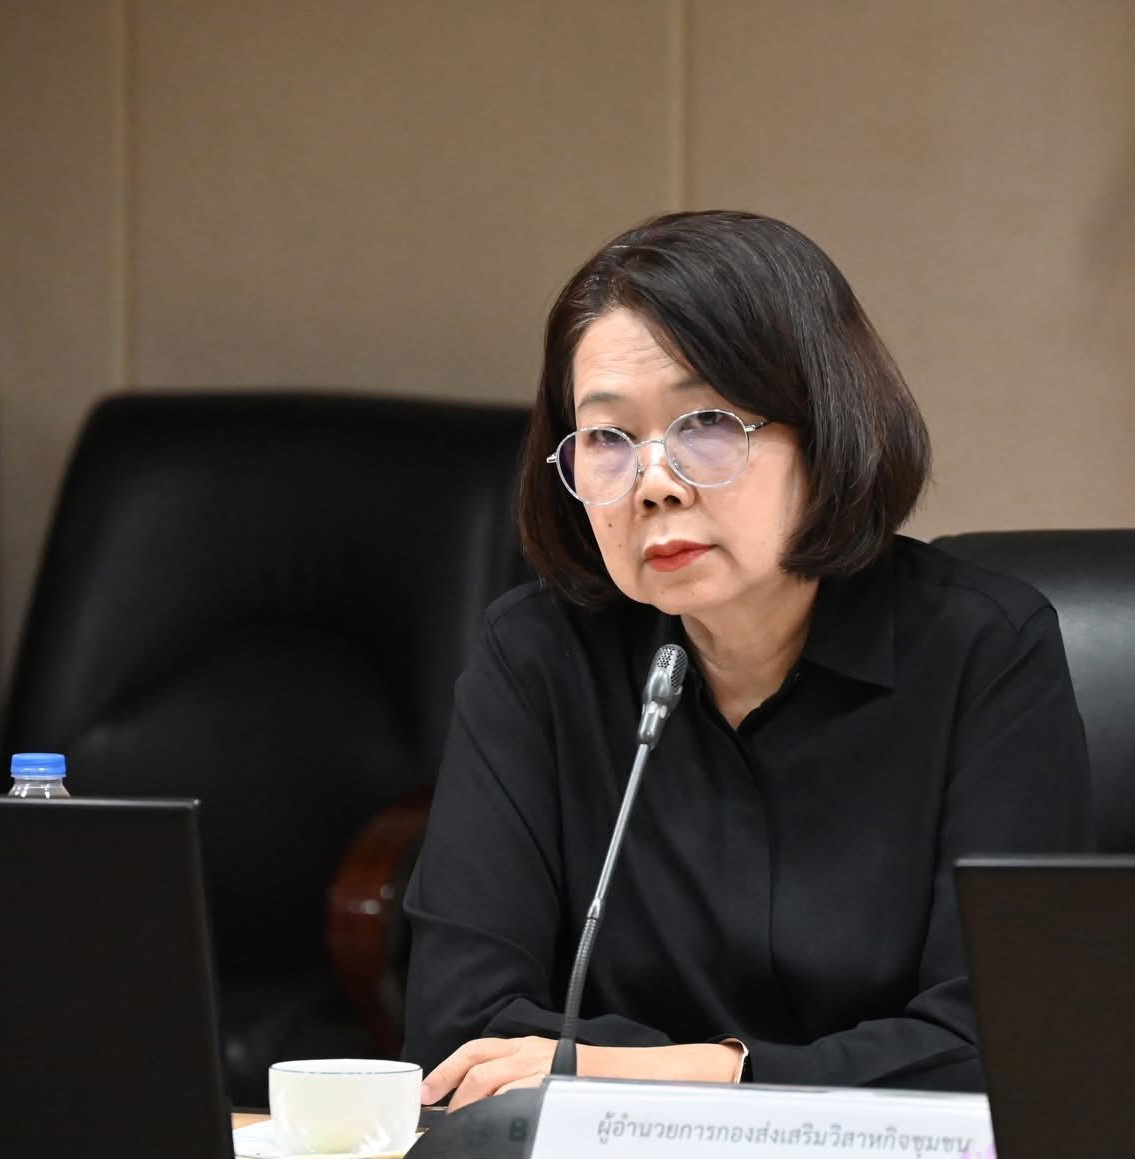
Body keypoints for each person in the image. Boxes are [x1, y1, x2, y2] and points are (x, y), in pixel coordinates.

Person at [404, 210, 1092, 1110]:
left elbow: (998, 1049)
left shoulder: (984, 654)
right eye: (608, 439)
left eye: (706, 424)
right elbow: (459, 1037)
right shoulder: (537, 659)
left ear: (824, 425)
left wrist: (679, 1072)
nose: (654, 482)